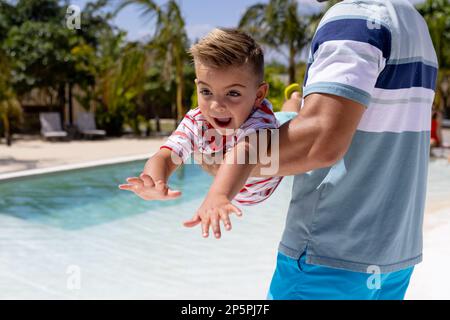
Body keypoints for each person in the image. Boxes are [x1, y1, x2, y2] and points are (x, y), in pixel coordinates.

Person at [196, 0, 438, 300]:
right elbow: (358, 127)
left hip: (330, 257)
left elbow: (321, 141)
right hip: (394, 255)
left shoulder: (355, 18)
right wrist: (289, 115)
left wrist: (226, 159)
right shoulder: (413, 23)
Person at [119, 28, 296, 239]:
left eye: (233, 93)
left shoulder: (259, 119)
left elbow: (245, 152)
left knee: (291, 114)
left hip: (279, 148)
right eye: (206, 91)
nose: (216, 105)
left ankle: (295, 97)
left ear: (259, 95)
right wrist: (154, 180)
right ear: (197, 86)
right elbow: (165, 156)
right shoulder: (197, 121)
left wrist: (218, 194)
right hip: (248, 188)